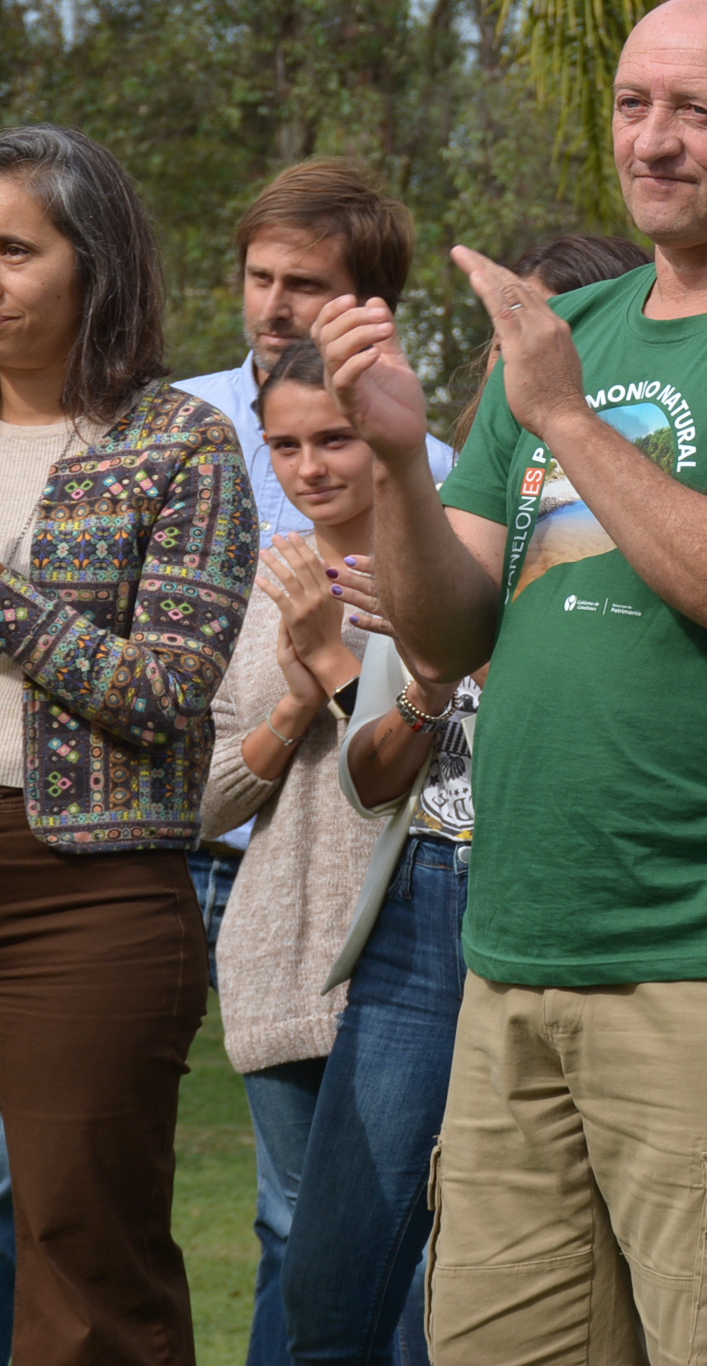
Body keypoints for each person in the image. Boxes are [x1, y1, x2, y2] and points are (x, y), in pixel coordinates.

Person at [315, 0, 707, 1365]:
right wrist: (394, 465)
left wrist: (554, 413)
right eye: (631, 104)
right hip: (522, 946)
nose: (652, 142)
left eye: (698, 113)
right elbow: (448, 632)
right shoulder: (576, 326)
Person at [280, 232, 650, 1366]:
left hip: (583, 895)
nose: (508, 370)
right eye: (497, 342)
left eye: (533, 338)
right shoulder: (442, 510)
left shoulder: (645, 508)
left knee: (601, 1288)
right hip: (427, 904)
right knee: (333, 1287)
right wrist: (421, 683)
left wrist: (475, 655)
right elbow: (370, 777)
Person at [0, 123, 258, 1366]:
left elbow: (167, 689)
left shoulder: (180, 444)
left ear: (92, 265)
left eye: (10, 248)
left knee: (85, 1256)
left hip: (84, 887)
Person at [174, 162, 453, 973]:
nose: (273, 306)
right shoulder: (174, 423)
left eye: (304, 283)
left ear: (369, 306)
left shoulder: (431, 471)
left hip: (350, 851)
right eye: (259, 277)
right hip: (176, 825)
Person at [197, 342, 393, 1366]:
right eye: (285, 443)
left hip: (416, 960)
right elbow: (206, 795)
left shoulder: (443, 571)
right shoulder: (247, 586)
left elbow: (453, 759)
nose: (311, 464)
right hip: (277, 952)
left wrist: (339, 658)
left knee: (412, 1249)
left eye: (336, 437)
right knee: (292, 1235)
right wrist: (295, 698)